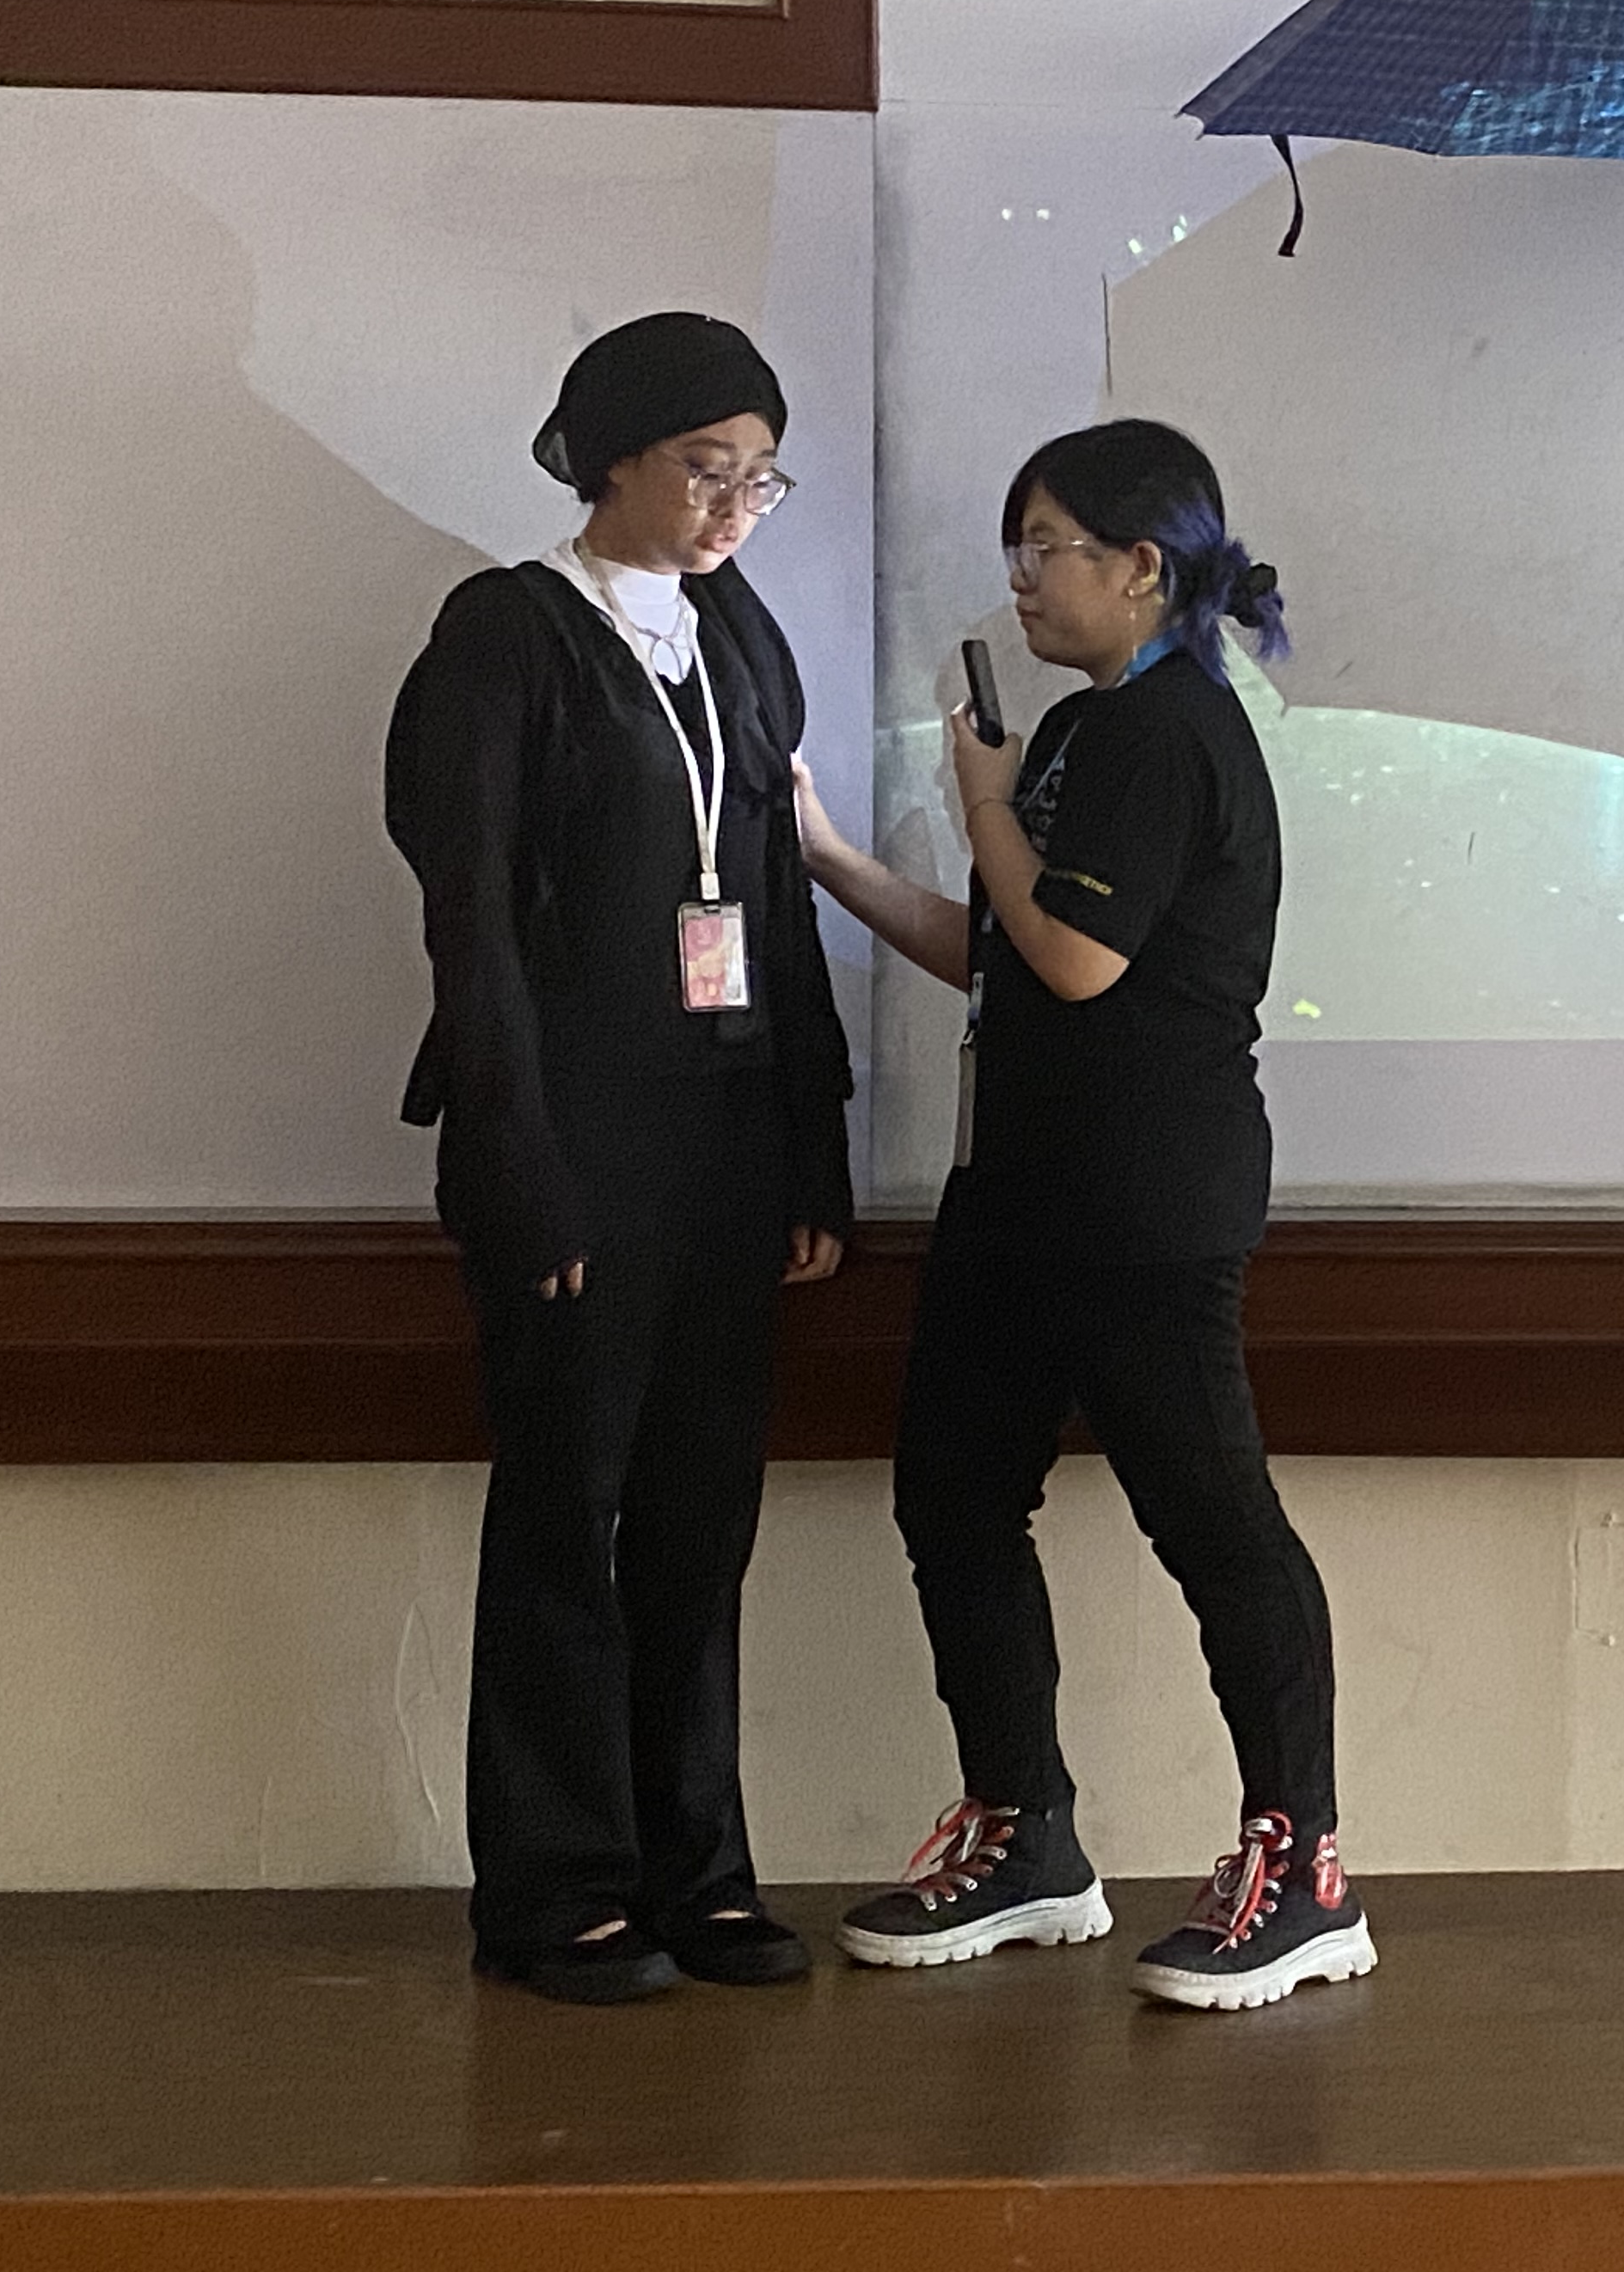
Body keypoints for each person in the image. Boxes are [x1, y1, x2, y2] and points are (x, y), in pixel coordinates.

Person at [794, 419, 1372, 2012]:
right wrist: (830, 857)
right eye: (1020, 549)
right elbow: (1000, 950)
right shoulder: (1081, 729)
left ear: (1143, 567)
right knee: (953, 1498)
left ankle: (1302, 1873)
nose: (1024, 580)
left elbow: (1078, 958)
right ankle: (1025, 1836)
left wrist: (980, 800)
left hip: (1143, 1202)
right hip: (1019, 1194)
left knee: (1215, 1524)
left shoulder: (1167, 731)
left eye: (1047, 547)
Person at [384, 312, 855, 2004]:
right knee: (565, 1517)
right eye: (705, 467)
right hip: (576, 1146)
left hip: (724, 1145)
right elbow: (473, 921)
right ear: (610, 460)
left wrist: (812, 1154)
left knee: (697, 1524)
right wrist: (521, 1171)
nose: (735, 505)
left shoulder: (741, 637)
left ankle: (696, 1872)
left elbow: (773, 902)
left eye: (761, 476)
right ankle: (555, 1889)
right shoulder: (507, 633)